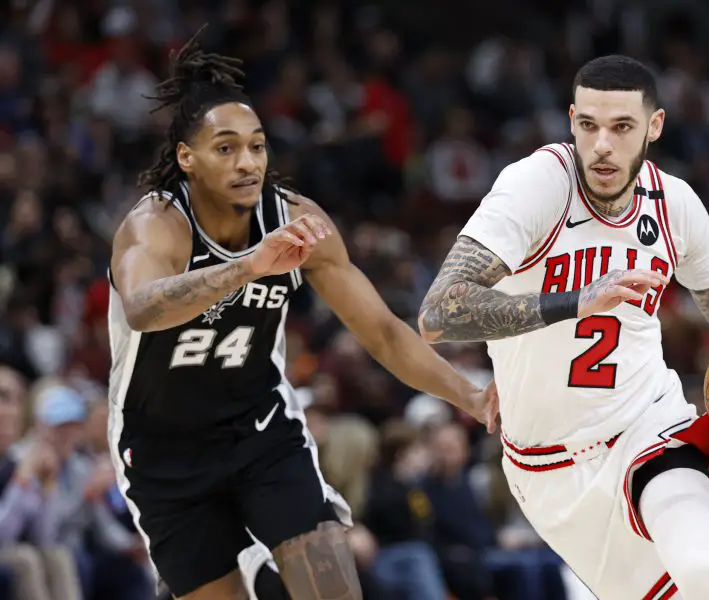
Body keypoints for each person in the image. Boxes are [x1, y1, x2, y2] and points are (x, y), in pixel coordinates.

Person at [107, 26, 496, 600]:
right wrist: (245, 268)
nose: (248, 162)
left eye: (257, 145)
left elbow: (385, 333)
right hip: (162, 450)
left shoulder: (295, 221)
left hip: (261, 431)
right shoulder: (155, 224)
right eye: (226, 148)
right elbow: (142, 309)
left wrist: (471, 398)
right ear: (186, 157)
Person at [418, 54, 709, 600]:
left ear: (654, 126)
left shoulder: (673, 203)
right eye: (588, 125)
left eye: (621, 127)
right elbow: (439, 313)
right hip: (548, 468)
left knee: (704, 570)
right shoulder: (538, 185)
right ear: (570, 120)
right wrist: (577, 301)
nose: (602, 144)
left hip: (648, 425)